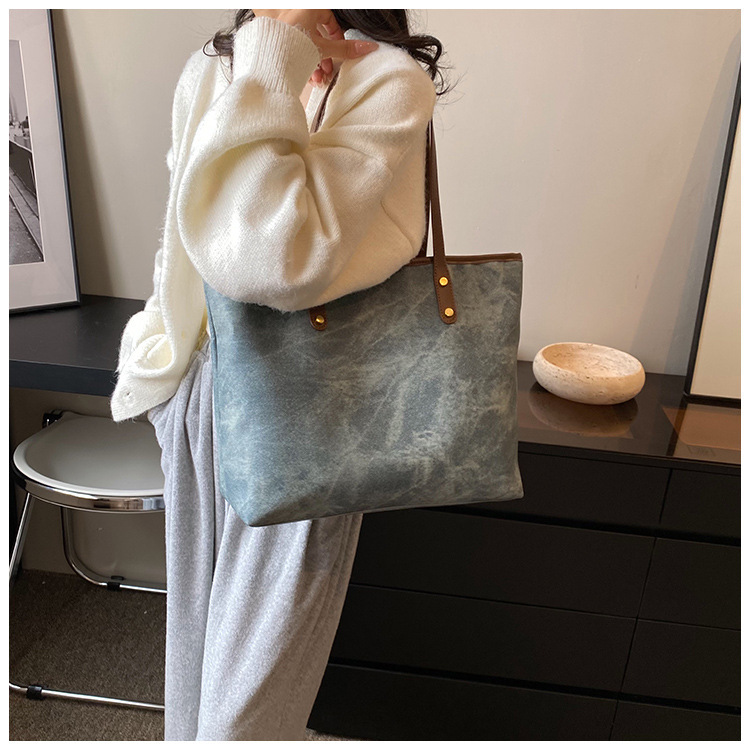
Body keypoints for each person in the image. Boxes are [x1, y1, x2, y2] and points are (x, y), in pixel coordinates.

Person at [110, 9, 451, 741]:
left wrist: (274, 54)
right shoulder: (215, 66)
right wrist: (164, 380)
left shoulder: (387, 82)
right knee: (192, 694)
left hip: (313, 417)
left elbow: (276, 259)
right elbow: (182, 239)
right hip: (206, 394)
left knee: (244, 722)